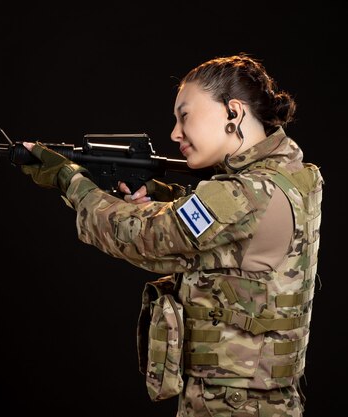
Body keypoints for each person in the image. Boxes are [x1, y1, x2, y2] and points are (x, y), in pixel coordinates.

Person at [19, 53, 323, 416]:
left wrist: (69, 181)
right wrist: (167, 196)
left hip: (230, 408)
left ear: (234, 113)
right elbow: (231, 237)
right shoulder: (293, 174)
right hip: (264, 401)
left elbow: (141, 237)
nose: (175, 133)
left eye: (185, 115)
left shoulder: (246, 194)